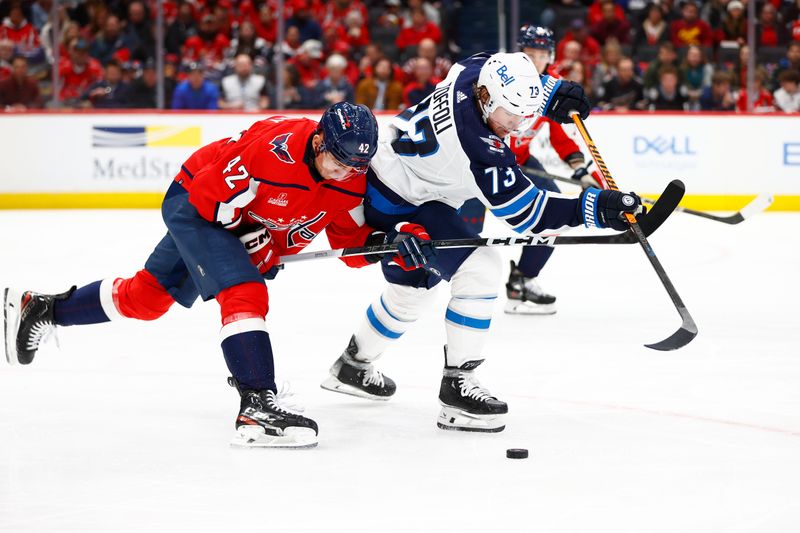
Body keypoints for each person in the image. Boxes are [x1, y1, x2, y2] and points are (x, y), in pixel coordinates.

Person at [3, 102, 435, 449]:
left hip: (232, 219)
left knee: (147, 299)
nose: (345, 172)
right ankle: (257, 406)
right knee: (244, 290)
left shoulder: (351, 178)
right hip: (196, 203)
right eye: (338, 161)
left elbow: (349, 245)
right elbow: (210, 198)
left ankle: (42, 309)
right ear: (320, 140)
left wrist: (394, 242)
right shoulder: (274, 150)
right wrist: (257, 243)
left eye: (355, 167)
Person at [318, 50, 642, 433]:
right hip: (401, 201)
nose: (519, 125)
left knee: (415, 287)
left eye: (526, 113)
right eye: (511, 115)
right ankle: (458, 386)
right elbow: (529, 215)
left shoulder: (471, 74)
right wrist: (592, 207)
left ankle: (352, 366)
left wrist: (549, 89)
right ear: (487, 99)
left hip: (390, 181)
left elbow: (495, 58)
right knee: (481, 269)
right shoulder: (480, 147)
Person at [505, 25, 603, 315]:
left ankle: (522, 281)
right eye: (529, 54)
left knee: (552, 217)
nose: (535, 61)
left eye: (541, 55)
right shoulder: (502, 76)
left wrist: (582, 172)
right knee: (465, 228)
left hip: (521, 161)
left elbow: (560, 136)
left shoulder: (552, 87)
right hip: (480, 161)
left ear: (550, 57)